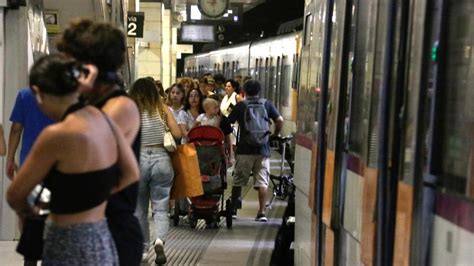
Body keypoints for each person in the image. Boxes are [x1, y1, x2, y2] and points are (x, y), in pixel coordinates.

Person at [7, 53, 139, 265]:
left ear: (38, 93)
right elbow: (131, 172)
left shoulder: (56, 135)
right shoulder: (105, 120)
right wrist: (93, 197)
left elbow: (15, 195)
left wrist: (40, 211)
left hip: (66, 241)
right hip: (101, 238)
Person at [56, 18, 143, 266]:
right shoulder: (90, 105)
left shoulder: (120, 107)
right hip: (86, 231)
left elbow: (81, 145)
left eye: (69, 62)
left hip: (113, 233)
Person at [129, 78, 181, 264]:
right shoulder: (162, 108)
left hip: (139, 159)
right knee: (161, 207)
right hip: (162, 160)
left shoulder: (131, 110)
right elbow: (177, 134)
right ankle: (159, 240)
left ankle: (143, 250)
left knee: (140, 208)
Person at [228, 80, 283, 222]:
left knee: (238, 180)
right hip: (263, 149)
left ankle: (233, 210)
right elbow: (280, 120)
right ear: (259, 91)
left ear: (244, 92)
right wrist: (274, 135)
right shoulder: (267, 104)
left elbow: (227, 122)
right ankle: (261, 212)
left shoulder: (241, 105)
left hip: (244, 149)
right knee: (263, 181)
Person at [6, 88, 54, 180]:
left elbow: (16, 129)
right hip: (56, 159)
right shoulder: (64, 96)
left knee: (29, 192)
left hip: (29, 160)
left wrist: (10, 159)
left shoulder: (24, 95)